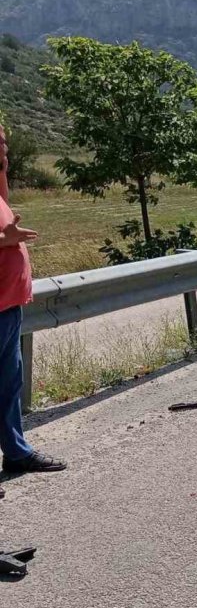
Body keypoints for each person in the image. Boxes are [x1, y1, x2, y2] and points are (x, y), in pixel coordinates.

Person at [0, 122, 66, 494]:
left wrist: (2, 169)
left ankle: (16, 452)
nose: (4, 148)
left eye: (5, 142)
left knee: (9, 386)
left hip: (8, 305)